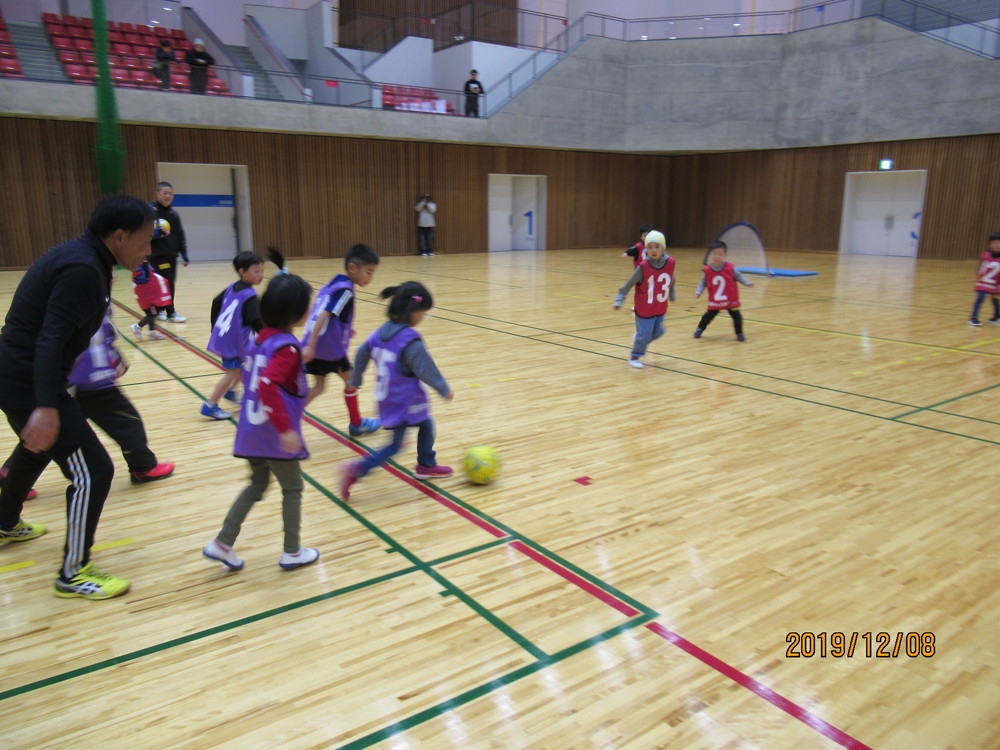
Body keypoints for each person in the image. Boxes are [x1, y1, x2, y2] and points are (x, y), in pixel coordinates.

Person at [0, 194, 154, 600]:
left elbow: (64, 332)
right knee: (94, 471)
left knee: (35, 451)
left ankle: (4, 522)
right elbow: (50, 339)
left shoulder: (86, 259)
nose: (148, 250)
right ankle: (74, 572)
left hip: (20, 377)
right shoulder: (84, 269)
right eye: (145, 241)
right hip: (27, 382)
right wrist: (47, 405)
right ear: (119, 237)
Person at [202, 270, 320, 572]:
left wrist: (298, 357)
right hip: (273, 436)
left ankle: (223, 543)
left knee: (257, 484)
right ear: (296, 313)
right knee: (293, 488)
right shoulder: (287, 348)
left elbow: (262, 375)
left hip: (250, 433)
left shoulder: (259, 341)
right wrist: (285, 430)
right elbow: (268, 384)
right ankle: (292, 551)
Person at [339, 281, 454, 501]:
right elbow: (425, 369)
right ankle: (357, 469)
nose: (423, 317)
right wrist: (443, 388)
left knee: (426, 424)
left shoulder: (381, 332)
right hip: (404, 400)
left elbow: (362, 352)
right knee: (395, 445)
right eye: (423, 312)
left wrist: (356, 379)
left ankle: (426, 464)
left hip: (387, 399)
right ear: (412, 311)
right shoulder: (409, 340)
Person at [68, 308, 176, 483]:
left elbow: (105, 336)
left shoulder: (91, 302)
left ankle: (18, 476)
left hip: (79, 382)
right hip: (93, 382)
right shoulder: (81, 302)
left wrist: (116, 359)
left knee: (55, 434)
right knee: (129, 423)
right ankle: (143, 467)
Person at [301, 243, 381, 436]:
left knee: (319, 387)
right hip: (329, 350)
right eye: (369, 272)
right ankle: (357, 424)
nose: (370, 278)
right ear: (353, 268)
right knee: (352, 380)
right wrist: (311, 345)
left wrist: (344, 330)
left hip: (318, 346)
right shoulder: (346, 290)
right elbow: (324, 314)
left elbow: (321, 310)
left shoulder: (335, 282)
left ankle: (287, 416)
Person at [201, 251, 267, 420]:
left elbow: (216, 302)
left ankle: (232, 391)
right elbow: (255, 321)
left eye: (262, 271)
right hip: (233, 341)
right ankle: (210, 405)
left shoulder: (232, 287)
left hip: (227, 336)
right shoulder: (250, 296)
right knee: (233, 372)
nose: (261, 275)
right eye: (256, 271)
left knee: (244, 365)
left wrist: (215, 326)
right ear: (242, 272)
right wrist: (268, 337)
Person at [612, 230, 675, 369]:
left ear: (663, 248)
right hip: (644, 308)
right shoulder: (643, 267)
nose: (653, 250)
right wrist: (619, 299)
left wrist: (671, 293)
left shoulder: (670, 263)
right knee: (645, 334)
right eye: (650, 247)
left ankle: (640, 337)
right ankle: (634, 356)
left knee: (659, 332)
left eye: (657, 247)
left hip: (660, 308)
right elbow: (628, 284)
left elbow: (671, 278)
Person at [693, 241, 754, 341]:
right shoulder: (707, 270)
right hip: (716, 301)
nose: (716, 256)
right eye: (714, 254)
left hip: (730, 299)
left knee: (737, 317)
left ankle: (739, 333)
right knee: (708, 316)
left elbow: (739, 276)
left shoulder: (729, 268)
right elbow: (703, 282)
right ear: (711, 255)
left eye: (719, 254)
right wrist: (698, 292)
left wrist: (747, 282)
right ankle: (700, 329)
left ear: (725, 255)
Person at [149, 181, 189, 323]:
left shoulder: (173, 214)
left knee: (167, 283)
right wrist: (155, 234)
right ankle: (170, 313)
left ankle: (159, 309)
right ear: (157, 193)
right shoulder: (150, 211)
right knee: (168, 282)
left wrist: (184, 253)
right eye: (165, 193)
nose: (168, 196)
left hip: (171, 255)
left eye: (170, 194)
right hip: (157, 255)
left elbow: (180, 234)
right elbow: (142, 233)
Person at [130, 259, 171, 340]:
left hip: (149, 292)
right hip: (147, 294)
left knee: (154, 311)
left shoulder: (143, 263)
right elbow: (142, 278)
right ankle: (137, 326)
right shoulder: (139, 265)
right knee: (152, 313)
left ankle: (152, 332)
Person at [969, 232, 1000, 327]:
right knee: (980, 298)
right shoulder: (985, 255)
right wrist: (979, 278)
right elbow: (980, 267)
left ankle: (996, 317)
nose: (997, 245)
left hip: (996, 284)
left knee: (996, 301)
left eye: (999, 243)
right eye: (995, 243)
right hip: (984, 282)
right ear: (990, 244)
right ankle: (974, 318)